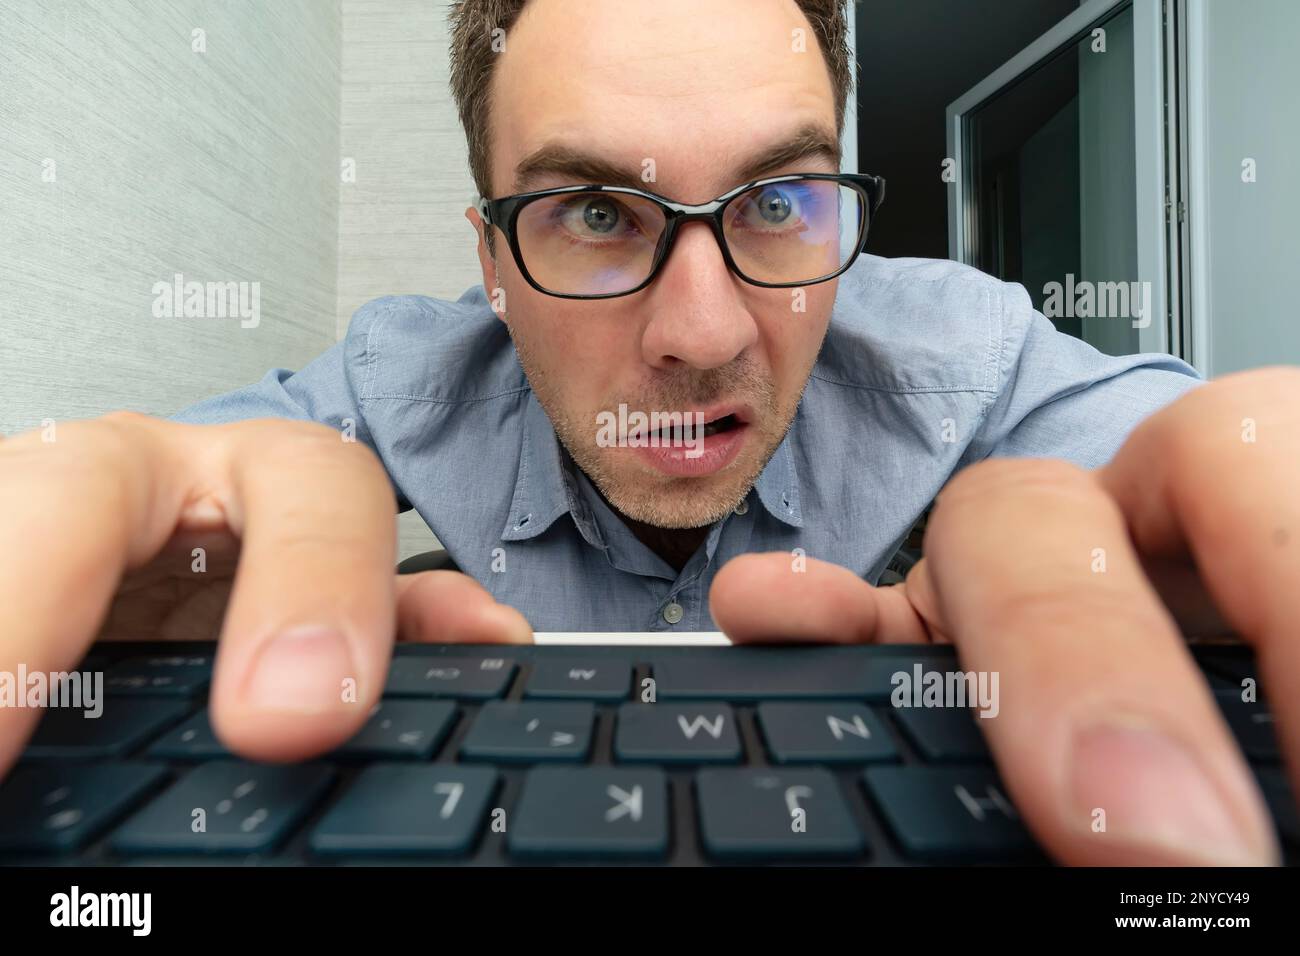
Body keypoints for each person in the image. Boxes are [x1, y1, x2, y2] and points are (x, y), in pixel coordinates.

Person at [1, 0, 1293, 867]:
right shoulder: (409, 377)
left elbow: (1177, 457)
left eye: (780, 200)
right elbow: (212, 475)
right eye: (598, 212)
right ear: (494, 264)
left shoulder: (967, 350)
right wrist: (134, 552)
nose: (704, 332)